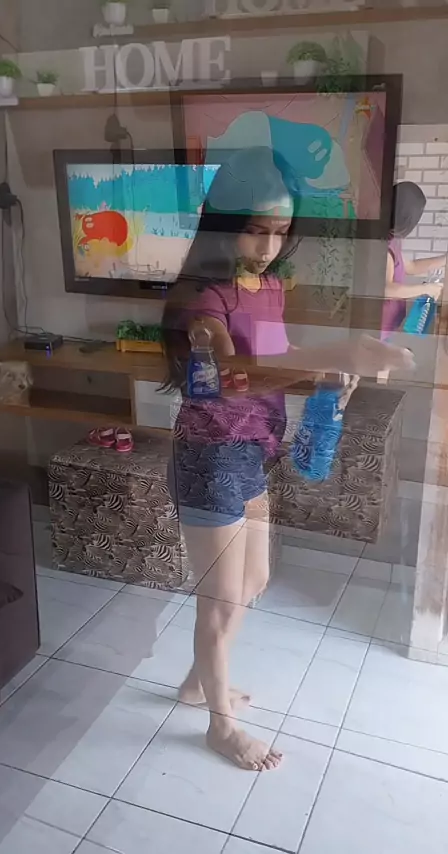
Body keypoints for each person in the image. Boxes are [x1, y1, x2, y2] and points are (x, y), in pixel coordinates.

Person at [161, 147, 413, 773]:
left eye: (280, 232)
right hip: (210, 457)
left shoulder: (268, 286)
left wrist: (327, 376)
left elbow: (275, 361)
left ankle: (198, 683)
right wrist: (337, 351)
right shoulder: (202, 298)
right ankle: (220, 726)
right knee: (221, 598)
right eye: (256, 230)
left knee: (252, 583)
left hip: (253, 451)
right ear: (224, 222)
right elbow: (231, 374)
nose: (269, 247)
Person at [383, 181, 447, 336]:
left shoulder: (393, 240)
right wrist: (426, 289)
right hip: (380, 325)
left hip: (390, 324)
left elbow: (411, 267)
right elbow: (386, 289)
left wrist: (444, 259)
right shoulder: (384, 247)